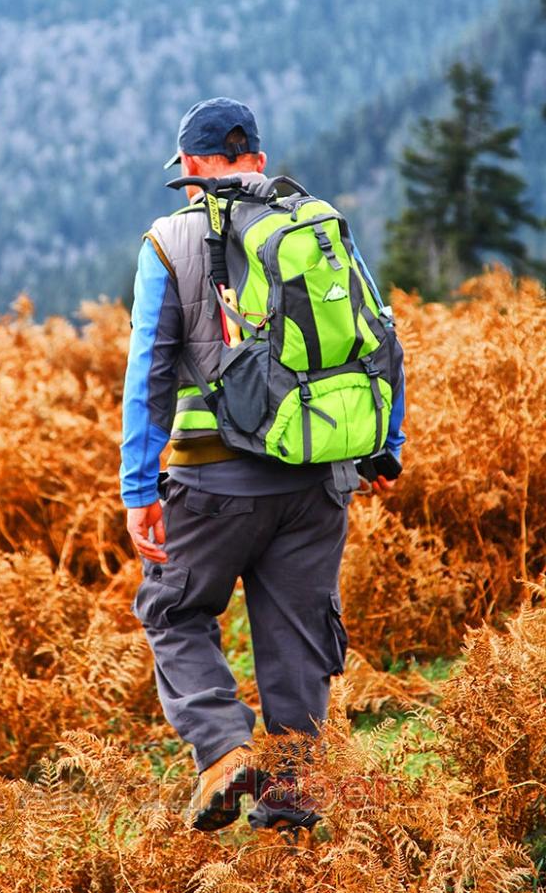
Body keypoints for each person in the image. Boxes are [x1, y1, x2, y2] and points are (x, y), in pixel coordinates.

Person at [120, 97, 405, 833]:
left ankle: (221, 753)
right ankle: (295, 810)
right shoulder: (316, 224)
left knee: (173, 610)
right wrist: (383, 447)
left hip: (211, 485)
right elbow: (381, 339)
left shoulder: (169, 241)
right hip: (317, 478)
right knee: (297, 637)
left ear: (189, 167)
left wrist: (138, 488)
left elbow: (147, 372)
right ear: (259, 161)